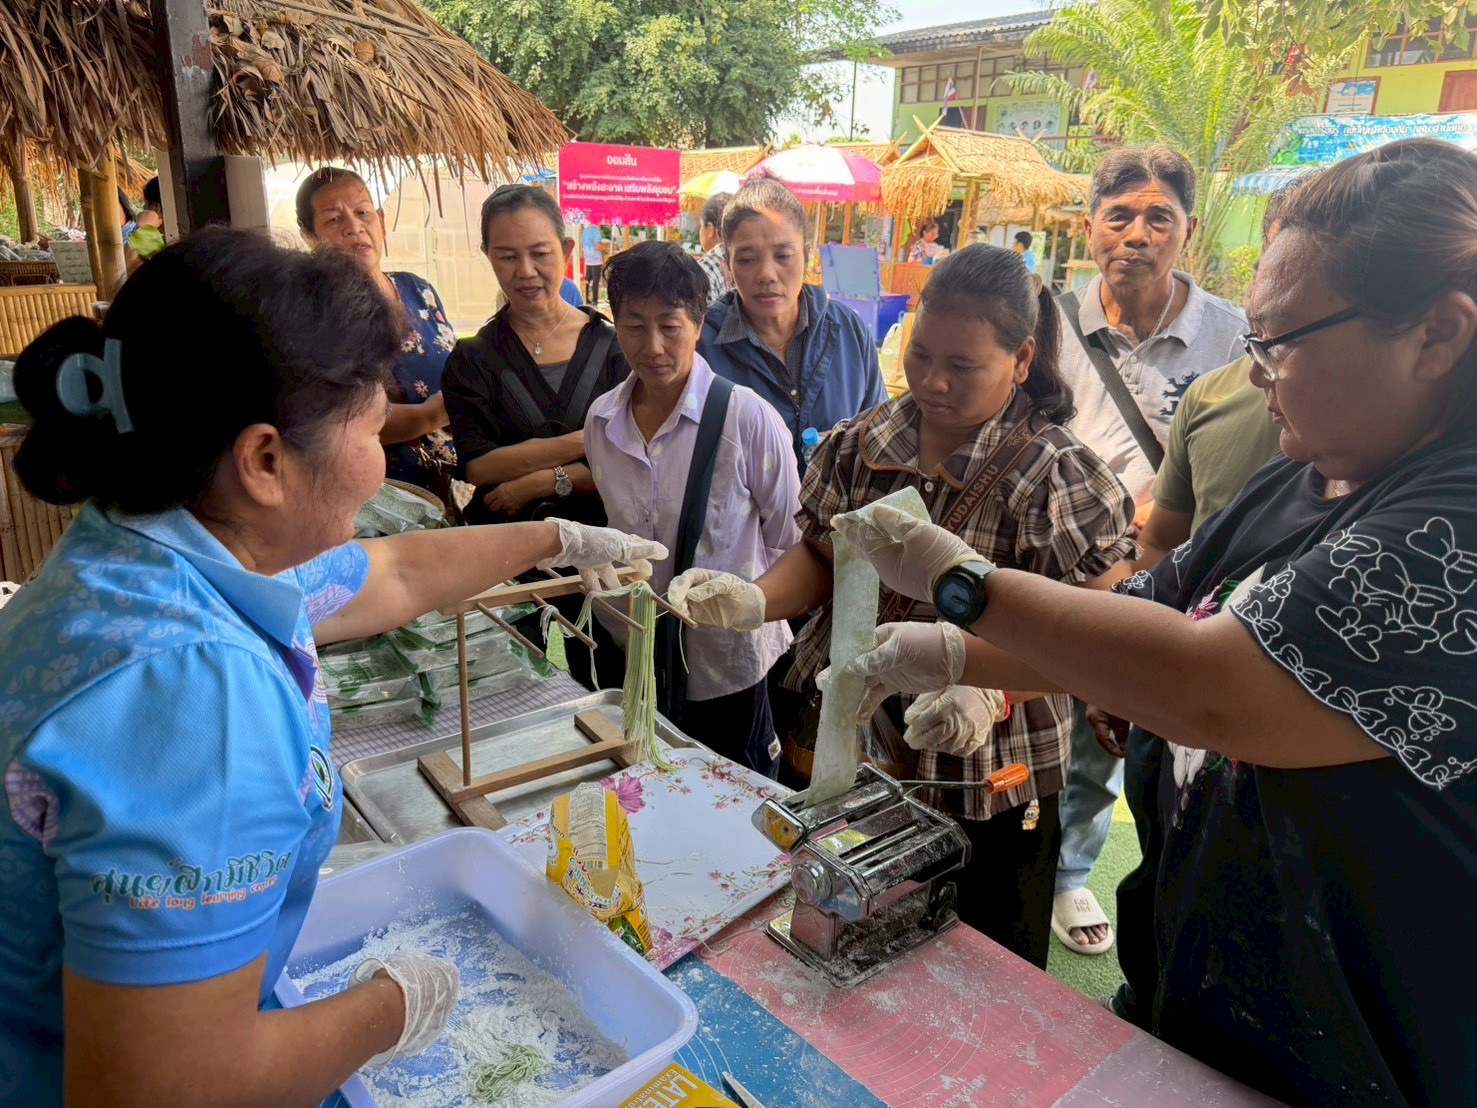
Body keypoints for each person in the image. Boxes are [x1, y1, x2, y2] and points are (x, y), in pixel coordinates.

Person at [829, 137, 1477, 1106]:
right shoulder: (1306, 476)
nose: (1255, 372)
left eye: (1281, 340)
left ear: (1436, 334)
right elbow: (1135, 617)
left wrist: (959, 585)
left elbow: (1209, 683)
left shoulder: (1454, 527)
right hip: (1206, 984)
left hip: (1361, 1048)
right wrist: (956, 653)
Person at [0, 228, 664, 1105]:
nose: (381, 448)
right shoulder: (197, 698)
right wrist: (390, 1006)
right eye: (367, 418)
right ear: (266, 460)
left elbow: (388, 574)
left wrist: (558, 537)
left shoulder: (151, 550)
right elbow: (166, 1087)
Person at [670, 245, 1135, 966]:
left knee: (979, 959)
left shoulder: (1059, 477)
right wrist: (754, 599)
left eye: (962, 365)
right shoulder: (860, 445)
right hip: (855, 738)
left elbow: (1101, 639)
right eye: (920, 356)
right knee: (841, 929)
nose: (932, 382)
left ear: (1021, 359)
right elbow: (822, 558)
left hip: (984, 765)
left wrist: (990, 692)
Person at [1050, 145, 1246, 957]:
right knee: (1036, 706)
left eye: (1157, 217)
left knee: (1125, 730)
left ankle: (1070, 874)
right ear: (1090, 226)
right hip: (1060, 552)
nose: (1136, 234)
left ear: (1186, 231)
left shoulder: (1232, 334)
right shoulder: (1050, 319)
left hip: (1179, 569)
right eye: (1119, 215)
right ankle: (1034, 854)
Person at [585, 242, 800, 773]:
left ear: (699, 324)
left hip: (727, 664)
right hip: (632, 652)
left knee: (734, 805)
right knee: (640, 792)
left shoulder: (747, 419)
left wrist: (749, 598)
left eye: (670, 326)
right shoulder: (601, 422)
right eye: (634, 326)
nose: (652, 345)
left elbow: (794, 541)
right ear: (615, 324)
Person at [444, 186, 628, 529]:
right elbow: (479, 466)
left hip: (609, 547)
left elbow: (634, 459)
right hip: (507, 555)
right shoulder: (472, 359)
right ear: (488, 256)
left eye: (540, 253)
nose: (526, 271)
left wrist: (542, 482)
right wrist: (590, 441)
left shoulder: (615, 347)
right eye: (508, 256)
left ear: (567, 250)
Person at [699, 177, 886, 465]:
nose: (767, 274)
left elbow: (878, 436)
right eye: (747, 259)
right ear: (727, 263)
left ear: (807, 256)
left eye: (783, 256)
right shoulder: (703, 346)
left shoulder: (849, 332)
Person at [297, 167, 455, 493]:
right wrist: (432, 414)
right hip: (382, 497)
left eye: (363, 212)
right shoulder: (312, 316)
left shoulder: (417, 290)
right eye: (334, 219)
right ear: (309, 236)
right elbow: (339, 422)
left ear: (381, 219)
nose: (355, 227)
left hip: (453, 484)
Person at [696, 192, 734, 304]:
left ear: (710, 229)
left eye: (701, 226)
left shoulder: (704, 268)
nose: (700, 232)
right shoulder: (746, 261)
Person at [582, 223, 608, 305]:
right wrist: (607, 247)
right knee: (596, 281)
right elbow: (598, 246)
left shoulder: (585, 231)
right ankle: (595, 300)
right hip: (596, 259)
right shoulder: (596, 231)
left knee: (587, 280)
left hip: (588, 258)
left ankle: (585, 298)